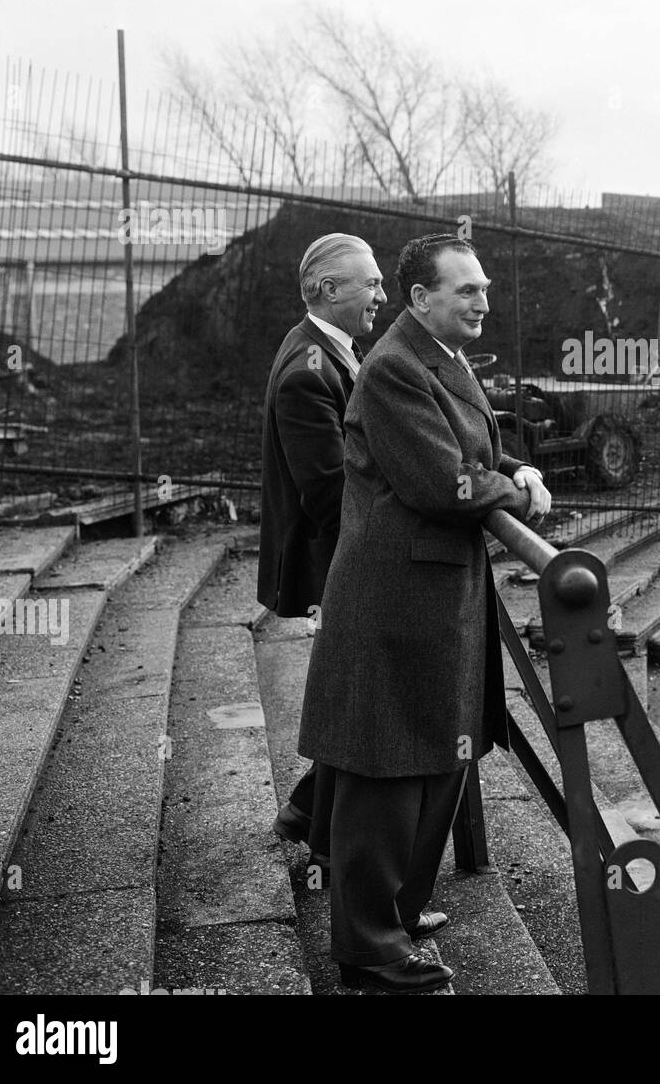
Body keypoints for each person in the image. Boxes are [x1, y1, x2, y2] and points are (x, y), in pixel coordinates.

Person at [297, 232, 550, 994]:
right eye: (466, 290)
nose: (482, 302)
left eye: (483, 289)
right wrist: (516, 493)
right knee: (387, 770)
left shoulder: (438, 356)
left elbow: (469, 450)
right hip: (395, 601)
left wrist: (516, 468)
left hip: (432, 593)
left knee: (435, 757)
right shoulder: (396, 370)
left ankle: (398, 913)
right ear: (421, 298)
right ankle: (369, 953)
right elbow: (445, 484)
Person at [257, 233, 388, 866]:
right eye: (370, 284)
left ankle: (310, 814)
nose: (382, 296)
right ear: (326, 291)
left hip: (346, 559)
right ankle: (332, 842)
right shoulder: (308, 372)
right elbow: (332, 494)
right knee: (360, 703)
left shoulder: (331, 352)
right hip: (337, 562)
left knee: (355, 701)